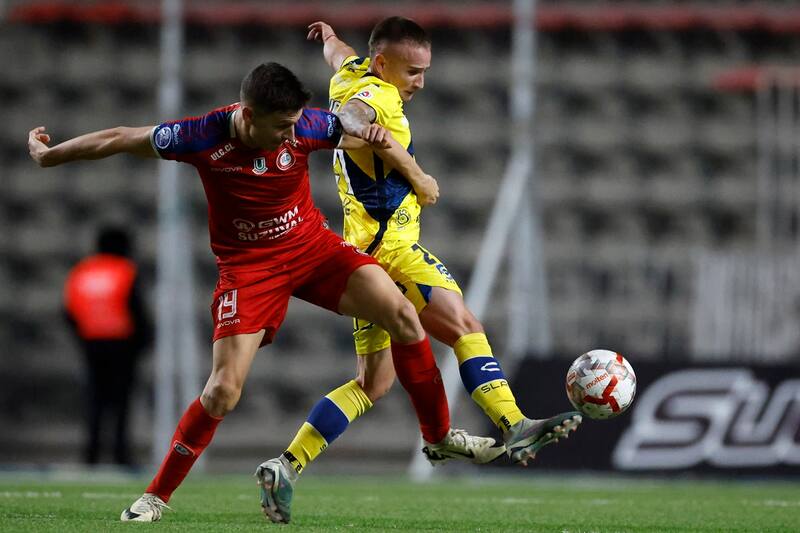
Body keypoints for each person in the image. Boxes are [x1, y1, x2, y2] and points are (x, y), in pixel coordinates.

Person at [28, 61, 497, 524]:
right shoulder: (202, 135)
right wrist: (52, 156)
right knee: (222, 391)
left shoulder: (304, 126)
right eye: (281, 126)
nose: (291, 135)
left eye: (295, 124)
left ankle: (438, 437)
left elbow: (368, 137)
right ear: (249, 115)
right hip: (248, 269)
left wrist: (415, 173)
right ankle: (155, 496)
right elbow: (119, 137)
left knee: (402, 315)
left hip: (312, 248)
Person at [255, 17, 585, 523]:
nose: (421, 83)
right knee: (465, 327)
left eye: (425, 71)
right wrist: (418, 175)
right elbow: (354, 117)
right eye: (413, 71)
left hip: (359, 258)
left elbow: (339, 56)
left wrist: (328, 37)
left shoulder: (351, 71)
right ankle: (513, 424)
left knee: (371, 383)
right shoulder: (377, 95)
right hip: (393, 252)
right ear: (384, 65)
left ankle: (287, 464)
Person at [64, 226, 151, 466]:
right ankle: (120, 454)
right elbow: (136, 309)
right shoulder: (125, 270)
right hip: (122, 344)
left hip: (91, 343)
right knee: (121, 401)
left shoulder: (83, 271)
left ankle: (91, 455)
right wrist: (143, 342)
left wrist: (82, 336)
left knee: (95, 400)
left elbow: (69, 310)